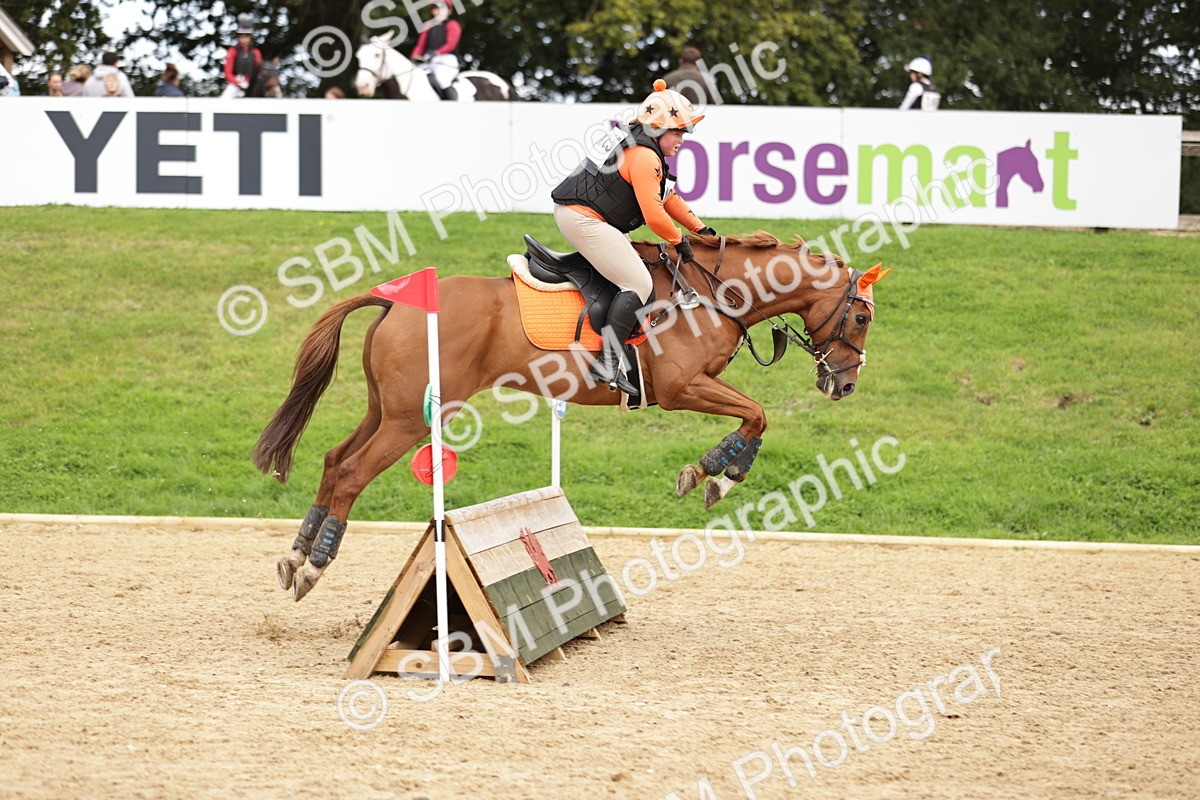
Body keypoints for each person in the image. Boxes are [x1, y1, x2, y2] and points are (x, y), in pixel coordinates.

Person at [550, 79, 717, 395]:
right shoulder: (645, 157)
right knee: (639, 283)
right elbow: (655, 216)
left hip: (581, 215)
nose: (683, 139)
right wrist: (679, 240)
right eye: (678, 132)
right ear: (658, 129)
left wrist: (700, 229)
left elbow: (668, 199)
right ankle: (607, 361)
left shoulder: (643, 148)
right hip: (584, 219)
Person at [411, 0, 461, 100]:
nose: (438, 11)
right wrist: (414, 56)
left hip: (446, 59)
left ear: (449, 10)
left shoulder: (452, 24)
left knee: (442, 79)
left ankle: (450, 104)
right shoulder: (427, 26)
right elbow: (420, 45)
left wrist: (437, 52)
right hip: (428, 59)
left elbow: (451, 44)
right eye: (435, 8)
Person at [221, 13, 262, 99]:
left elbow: (259, 72)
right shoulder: (232, 51)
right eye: (241, 36)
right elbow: (227, 73)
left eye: (247, 36)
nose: (244, 39)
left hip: (252, 85)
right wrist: (238, 82)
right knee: (224, 99)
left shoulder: (256, 53)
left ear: (250, 37)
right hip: (236, 85)